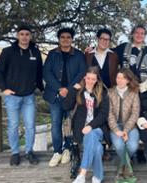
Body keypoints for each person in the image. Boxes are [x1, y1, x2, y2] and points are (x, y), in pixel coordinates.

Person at [0, 25, 44, 166]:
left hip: (29, 96)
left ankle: (29, 151)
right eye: (21, 34)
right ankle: (15, 153)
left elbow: (39, 72)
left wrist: (41, 88)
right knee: (13, 126)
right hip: (12, 97)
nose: (24, 36)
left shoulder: (35, 52)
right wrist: (4, 89)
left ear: (30, 36)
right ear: (17, 36)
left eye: (27, 34)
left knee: (30, 126)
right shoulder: (8, 52)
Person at [43, 28, 86, 167]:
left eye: (68, 37)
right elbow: (46, 73)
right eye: (63, 37)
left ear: (72, 39)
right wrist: (59, 88)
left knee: (68, 123)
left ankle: (67, 149)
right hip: (55, 95)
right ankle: (57, 151)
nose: (65, 39)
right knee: (55, 124)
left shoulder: (79, 55)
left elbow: (82, 72)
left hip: (71, 96)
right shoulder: (52, 54)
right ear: (59, 39)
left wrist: (68, 89)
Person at [62, 66, 109, 183]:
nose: (90, 81)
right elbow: (66, 106)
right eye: (88, 78)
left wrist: (90, 126)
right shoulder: (79, 91)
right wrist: (73, 90)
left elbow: (103, 115)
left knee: (91, 134)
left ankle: (82, 174)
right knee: (97, 149)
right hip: (81, 129)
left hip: (98, 128)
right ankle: (98, 176)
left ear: (97, 80)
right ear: (84, 77)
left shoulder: (103, 93)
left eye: (93, 79)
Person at [108, 68, 140, 177]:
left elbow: (135, 113)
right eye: (118, 77)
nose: (120, 80)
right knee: (119, 145)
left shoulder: (133, 93)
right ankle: (126, 164)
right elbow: (109, 114)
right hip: (115, 127)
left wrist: (126, 130)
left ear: (128, 80)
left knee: (132, 146)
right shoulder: (110, 92)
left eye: (123, 78)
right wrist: (117, 130)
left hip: (130, 127)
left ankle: (123, 163)